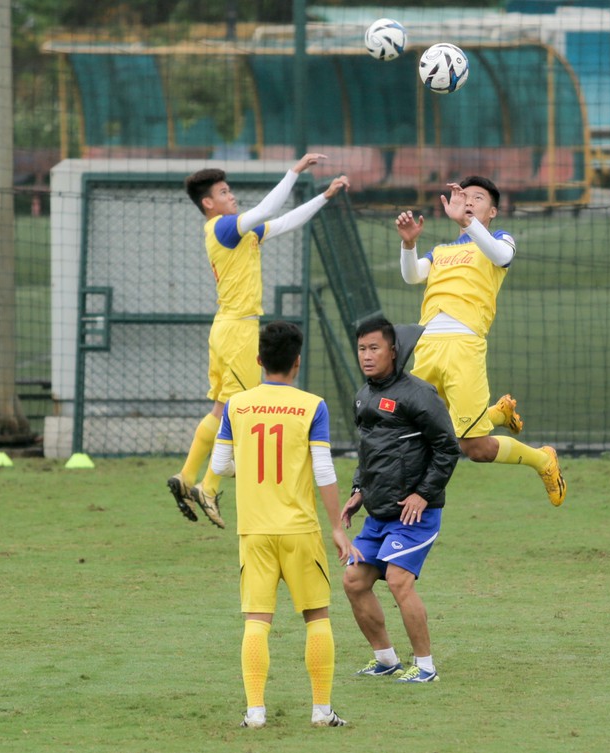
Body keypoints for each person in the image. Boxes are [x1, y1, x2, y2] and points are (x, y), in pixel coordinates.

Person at [167, 154, 350, 528]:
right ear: (208, 203)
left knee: (222, 410)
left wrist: (324, 197)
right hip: (237, 333)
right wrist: (295, 171)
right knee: (240, 412)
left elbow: (282, 221)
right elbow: (269, 207)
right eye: (224, 191)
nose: (231, 196)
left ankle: (187, 478)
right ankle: (209, 485)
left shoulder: (239, 232)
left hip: (227, 329)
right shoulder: (222, 227)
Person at [209, 320, 362, 728]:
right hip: (300, 530)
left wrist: (254, 472)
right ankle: (321, 711)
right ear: (297, 363)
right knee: (317, 616)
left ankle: (255, 712)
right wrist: (336, 527)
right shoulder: (313, 405)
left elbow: (220, 465)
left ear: (259, 360)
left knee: (257, 620)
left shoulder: (237, 406)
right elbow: (324, 469)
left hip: (254, 531)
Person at [395, 176, 567, 507]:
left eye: (478, 198)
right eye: (466, 196)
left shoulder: (499, 240)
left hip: (463, 346)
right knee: (414, 431)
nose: (470, 201)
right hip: (427, 346)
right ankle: (498, 413)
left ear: (493, 212)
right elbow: (412, 275)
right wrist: (408, 245)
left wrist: (468, 223)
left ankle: (542, 459)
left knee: (475, 448)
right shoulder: (441, 250)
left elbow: (502, 257)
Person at [341, 317, 460, 683]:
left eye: (374, 348)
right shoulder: (364, 395)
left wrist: (423, 494)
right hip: (378, 514)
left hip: (415, 516)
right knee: (353, 581)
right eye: (362, 349)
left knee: (398, 579)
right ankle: (386, 659)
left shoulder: (419, 394)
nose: (367, 356)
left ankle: (425, 668)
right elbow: (370, 452)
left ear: (393, 351)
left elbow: (448, 448)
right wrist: (358, 491)